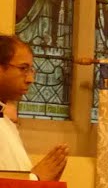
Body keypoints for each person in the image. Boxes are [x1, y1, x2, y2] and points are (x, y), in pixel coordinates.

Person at [0, 35, 68, 180]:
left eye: (31, 70)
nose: (30, 79)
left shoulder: (6, 122)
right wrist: (36, 178)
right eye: (23, 68)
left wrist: (43, 184)